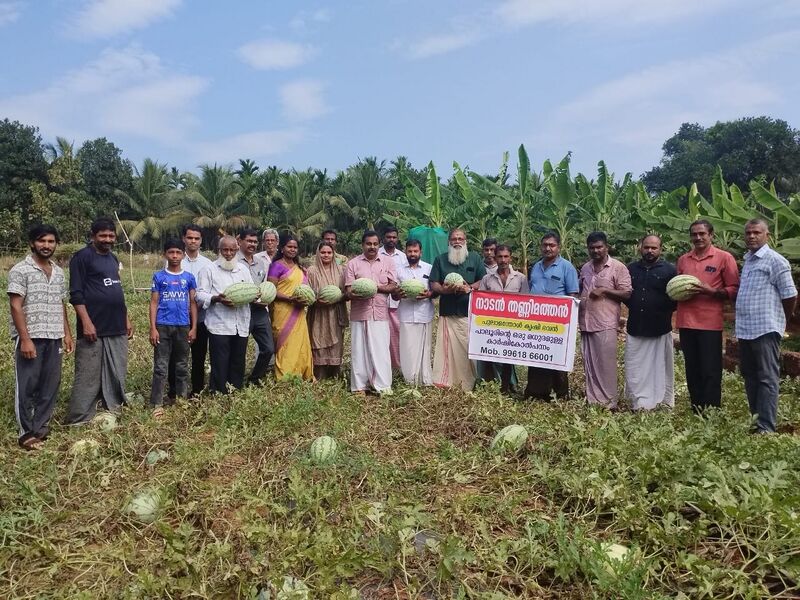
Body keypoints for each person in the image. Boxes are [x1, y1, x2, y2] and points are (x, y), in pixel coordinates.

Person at [8, 224, 74, 449]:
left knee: (50, 384)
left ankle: (41, 428)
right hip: (31, 336)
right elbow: (16, 306)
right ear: (32, 243)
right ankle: (26, 433)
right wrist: (25, 338)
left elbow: (61, 304)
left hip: (54, 334)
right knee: (27, 384)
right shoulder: (20, 270)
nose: (46, 246)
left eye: (51, 241)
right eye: (42, 241)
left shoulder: (58, 272)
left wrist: (67, 333)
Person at [66, 218, 133, 425]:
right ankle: (80, 417)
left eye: (111, 236)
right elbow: (76, 294)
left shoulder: (113, 259)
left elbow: (116, 290)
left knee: (116, 369)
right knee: (88, 373)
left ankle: (111, 407)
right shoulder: (82, 257)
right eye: (102, 236)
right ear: (93, 236)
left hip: (116, 324)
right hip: (93, 326)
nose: (107, 239)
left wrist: (126, 318)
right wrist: (86, 322)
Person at [735, 218, 797, 433]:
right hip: (746, 329)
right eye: (748, 233)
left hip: (765, 328)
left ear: (767, 235)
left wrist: (782, 320)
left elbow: (790, 295)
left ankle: (766, 428)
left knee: (767, 378)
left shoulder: (775, 260)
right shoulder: (749, 260)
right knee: (750, 376)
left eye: (757, 232)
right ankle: (756, 423)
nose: (752, 236)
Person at [676, 219, 739, 412]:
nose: (698, 237)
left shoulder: (724, 258)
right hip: (686, 321)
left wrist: (710, 291)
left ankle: (711, 410)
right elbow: (676, 285)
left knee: (710, 369)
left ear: (711, 235)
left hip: (710, 323)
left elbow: (734, 289)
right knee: (692, 368)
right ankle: (696, 408)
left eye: (702, 234)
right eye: (694, 234)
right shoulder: (683, 260)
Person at [578, 231, 632, 408]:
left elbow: (627, 292)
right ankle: (593, 400)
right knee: (589, 363)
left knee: (605, 364)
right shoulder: (585, 268)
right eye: (592, 247)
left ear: (606, 247)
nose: (596, 250)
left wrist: (605, 291)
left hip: (605, 322)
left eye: (599, 247)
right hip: (586, 322)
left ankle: (609, 403)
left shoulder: (618, 267)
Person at [623, 235, 677, 410]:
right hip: (636, 326)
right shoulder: (631, 269)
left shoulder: (670, 271)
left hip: (659, 327)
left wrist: (661, 310)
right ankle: (639, 401)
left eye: (654, 248)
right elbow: (625, 294)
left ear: (660, 249)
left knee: (660, 367)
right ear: (640, 248)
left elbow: (676, 297)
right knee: (635, 366)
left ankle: (661, 400)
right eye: (646, 247)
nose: (650, 251)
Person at [430, 228, 486, 391]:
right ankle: (447, 381)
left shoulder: (475, 258)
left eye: (460, 238)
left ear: (465, 241)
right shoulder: (440, 260)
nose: (457, 242)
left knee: (468, 348)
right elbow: (434, 283)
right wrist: (445, 290)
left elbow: (482, 280)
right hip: (448, 312)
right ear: (449, 242)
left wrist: (469, 287)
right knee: (447, 350)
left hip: (469, 312)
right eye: (454, 239)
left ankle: (469, 382)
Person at [525, 232, 579, 401]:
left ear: (558, 247)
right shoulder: (535, 267)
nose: (548, 248)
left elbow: (573, 295)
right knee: (536, 355)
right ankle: (535, 393)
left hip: (558, 322)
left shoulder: (566, 267)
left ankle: (559, 394)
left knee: (556, 357)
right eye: (545, 245)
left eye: (552, 245)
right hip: (536, 320)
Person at [196, 236, 253, 393]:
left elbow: (252, 290)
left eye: (232, 250)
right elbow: (199, 295)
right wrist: (216, 299)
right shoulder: (209, 269)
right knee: (219, 363)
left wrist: (255, 295)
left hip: (240, 324)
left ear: (237, 250)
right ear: (219, 250)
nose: (228, 253)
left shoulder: (243, 270)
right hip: (219, 325)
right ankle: (218, 394)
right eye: (225, 250)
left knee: (238, 362)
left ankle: (234, 393)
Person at [149, 239, 197, 417]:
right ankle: (156, 403)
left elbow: (193, 304)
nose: (175, 256)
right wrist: (152, 328)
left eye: (178, 252)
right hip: (162, 326)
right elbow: (154, 303)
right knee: (161, 366)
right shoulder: (159, 276)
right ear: (165, 255)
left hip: (183, 326)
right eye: (171, 252)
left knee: (182, 365)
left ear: (183, 255)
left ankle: (181, 400)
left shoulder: (189, 278)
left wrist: (193, 328)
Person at [346, 230, 398, 394]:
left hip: (380, 312)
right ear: (363, 245)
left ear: (379, 244)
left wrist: (376, 288)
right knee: (359, 350)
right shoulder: (353, 264)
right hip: (359, 312)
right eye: (369, 244)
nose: (372, 247)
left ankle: (383, 386)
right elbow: (348, 291)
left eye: (375, 244)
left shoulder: (388, 262)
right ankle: (359, 386)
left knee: (381, 349)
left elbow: (393, 286)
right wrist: (357, 293)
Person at [168, 224, 213, 397]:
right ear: (184, 239)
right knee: (177, 357)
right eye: (190, 238)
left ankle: (196, 391)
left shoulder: (208, 264)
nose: (193, 241)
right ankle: (175, 391)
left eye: (196, 238)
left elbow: (208, 291)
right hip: (177, 319)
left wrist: (196, 307)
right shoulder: (174, 259)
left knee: (198, 357)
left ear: (201, 240)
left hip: (200, 319)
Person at [478, 244, 527, 393]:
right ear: (495, 257)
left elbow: (526, 302)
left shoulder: (521, 278)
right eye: (500, 256)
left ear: (510, 258)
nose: (503, 260)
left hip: (513, 325)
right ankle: (498, 385)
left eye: (506, 256)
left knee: (509, 357)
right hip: (493, 325)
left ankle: (510, 385)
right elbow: (480, 301)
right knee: (494, 355)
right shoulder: (487, 279)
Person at [268, 233, 314, 380]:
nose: (292, 250)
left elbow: (305, 288)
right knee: (285, 342)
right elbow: (271, 290)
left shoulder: (300, 267)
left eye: (295, 247)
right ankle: (285, 375)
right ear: (282, 248)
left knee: (300, 342)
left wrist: (305, 298)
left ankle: (301, 373)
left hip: (299, 310)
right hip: (283, 309)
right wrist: (290, 298)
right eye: (289, 246)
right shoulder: (276, 266)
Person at [393, 239, 434, 386]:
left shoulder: (429, 268)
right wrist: (398, 294)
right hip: (406, 313)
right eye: (410, 251)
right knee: (408, 347)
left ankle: (425, 379)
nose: (412, 254)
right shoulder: (398, 269)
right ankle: (410, 380)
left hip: (425, 313)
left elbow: (434, 290)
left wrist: (428, 294)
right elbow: (394, 294)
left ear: (420, 252)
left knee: (425, 347)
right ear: (405, 252)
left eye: (415, 251)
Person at [307, 241, 349, 380]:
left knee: (336, 342)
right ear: (318, 254)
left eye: (329, 252)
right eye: (323, 252)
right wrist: (317, 301)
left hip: (335, 312)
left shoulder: (341, 270)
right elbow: (307, 292)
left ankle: (334, 373)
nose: (326, 255)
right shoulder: (311, 271)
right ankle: (319, 373)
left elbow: (346, 292)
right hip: (318, 313)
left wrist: (338, 297)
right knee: (318, 339)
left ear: (333, 254)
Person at [237, 228, 274, 384]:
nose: (252, 244)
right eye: (249, 241)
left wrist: (266, 296)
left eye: (254, 242)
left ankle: (255, 379)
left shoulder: (260, 262)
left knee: (268, 348)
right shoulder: (234, 261)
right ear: (240, 241)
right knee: (239, 350)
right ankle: (235, 381)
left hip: (259, 311)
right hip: (242, 310)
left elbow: (264, 285)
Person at [379, 225, 409, 370]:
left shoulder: (403, 257)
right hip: (380, 302)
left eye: (394, 237)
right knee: (382, 335)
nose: (391, 240)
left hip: (398, 303)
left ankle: (398, 366)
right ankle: (383, 365)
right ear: (383, 238)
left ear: (397, 239)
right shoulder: (377, 254)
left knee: (397, 335)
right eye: (388, 237)